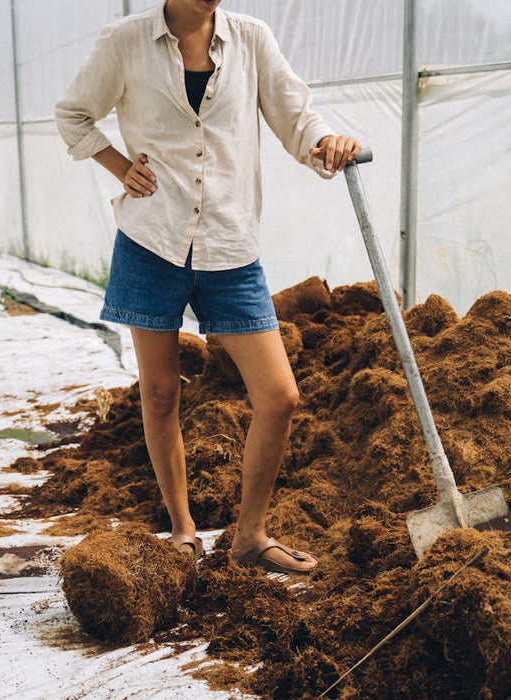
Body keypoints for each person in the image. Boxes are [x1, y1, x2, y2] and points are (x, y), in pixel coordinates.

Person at [54, 0, 360, 574]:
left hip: (229, 242)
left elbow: (298, 119)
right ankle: (182, 530)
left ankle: (249, 537)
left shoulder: (251, 39)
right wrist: (120, 167)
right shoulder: (124, 42)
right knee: (161, 392)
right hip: (152, 240)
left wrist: (327, 143)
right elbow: (73, 114)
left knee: (279, 396)